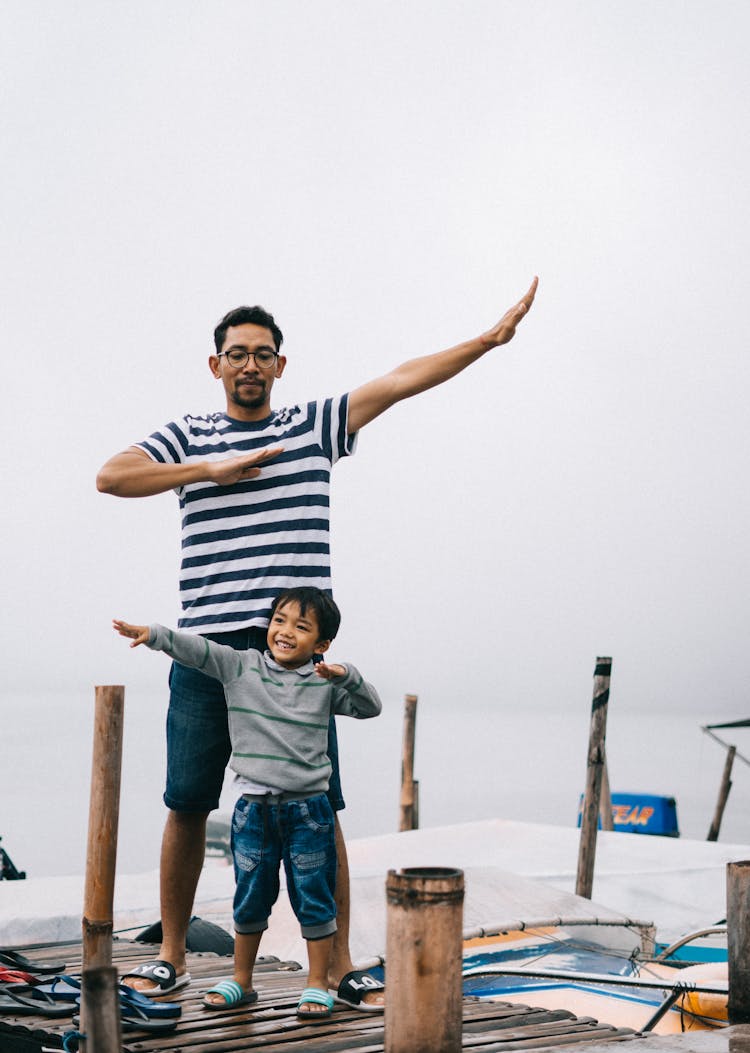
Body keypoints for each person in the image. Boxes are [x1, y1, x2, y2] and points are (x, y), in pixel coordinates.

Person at [96, 276, 538, 1008]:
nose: (248, 365)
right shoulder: (189, 436)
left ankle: (333, 967)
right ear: (216, 365)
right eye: (235, 353)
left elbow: (398, 382)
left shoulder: (313, 425)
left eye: (262, 354)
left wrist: (487, 342)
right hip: (210, 649)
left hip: (294, 655)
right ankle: (171, 954)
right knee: (187, 801)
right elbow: (112, 476)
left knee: (318, 805)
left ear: (280, 365)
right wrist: (207, 469)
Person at [114, 587, 381, 1018]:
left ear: (322, 643)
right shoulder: (241, 667)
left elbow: (370, 707)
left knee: (313, 898)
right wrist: (155, 635)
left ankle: (318, 982)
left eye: (301, 626)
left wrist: (345, 674)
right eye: (279, 621)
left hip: (308, 812)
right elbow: (198, 649)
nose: (285, 631)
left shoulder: (321, 683)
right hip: (253, 809)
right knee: (250, 896)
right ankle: (242, 978)